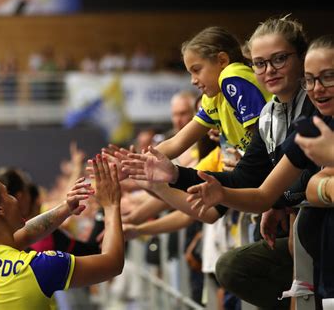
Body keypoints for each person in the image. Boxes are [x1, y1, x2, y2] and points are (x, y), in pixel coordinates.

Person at [121, 16, 314, 309]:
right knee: (233, 268)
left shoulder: (233, 77)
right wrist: (165, 171)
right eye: (260, 63)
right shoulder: (267, 114)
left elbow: (264, 181)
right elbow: (244, 184)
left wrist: (279, 199)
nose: (267, 70)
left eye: (280, 59)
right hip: (279, 208)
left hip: (302, 214)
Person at [186, 34, 334, 309]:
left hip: (311, 246)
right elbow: (265, 191)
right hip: (314, 250)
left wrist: (315, 188)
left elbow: (291, 189)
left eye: (328, 77)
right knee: (234, 266)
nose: (318, 88)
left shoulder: (237, 82)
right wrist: (172, 178)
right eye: (312, 79)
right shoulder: (304, 122)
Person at [0, 154, 124, 308]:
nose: (15, 199)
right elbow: (113, 263)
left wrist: (66, 207)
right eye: (7, 194)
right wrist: (111, 204)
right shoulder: (37, 267)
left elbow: (27, 233)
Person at [154, 26, 272, 161]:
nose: (193, 81)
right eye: (190, 73)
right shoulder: (213, 98)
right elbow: (177, 142)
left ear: (222, 61)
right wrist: (139, 160)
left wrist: (244, 168)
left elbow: (262, 142)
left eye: (197, 70)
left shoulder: (231, 76)